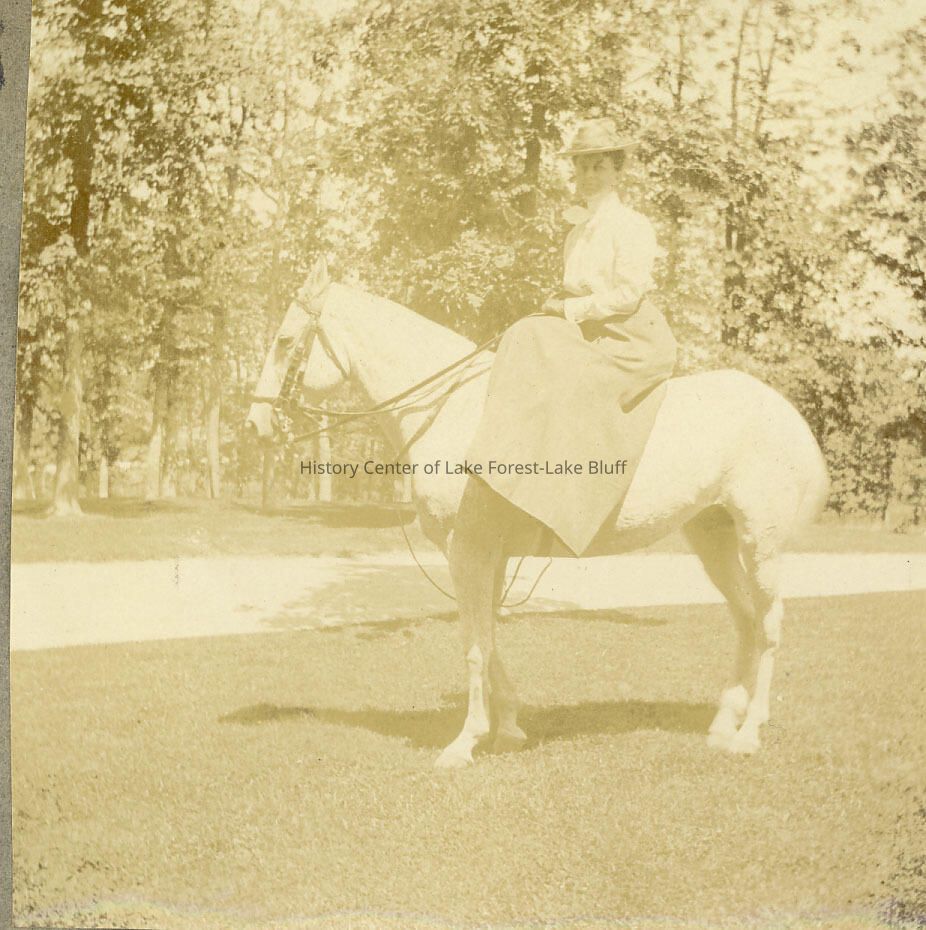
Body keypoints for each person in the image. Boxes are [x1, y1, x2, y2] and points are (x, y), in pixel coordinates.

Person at [465, 118, 678, 556]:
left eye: (599, 166)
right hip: (587, 328)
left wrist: (569, 310)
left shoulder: (632, 225)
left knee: (568, 381)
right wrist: (560, 307)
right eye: (581, 167)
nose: (588, 176)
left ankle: (569, 507)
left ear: (617, 170)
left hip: (629, 335)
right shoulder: (578, 231)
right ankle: (510, 479)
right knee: (523, 338)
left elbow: (628, 294)